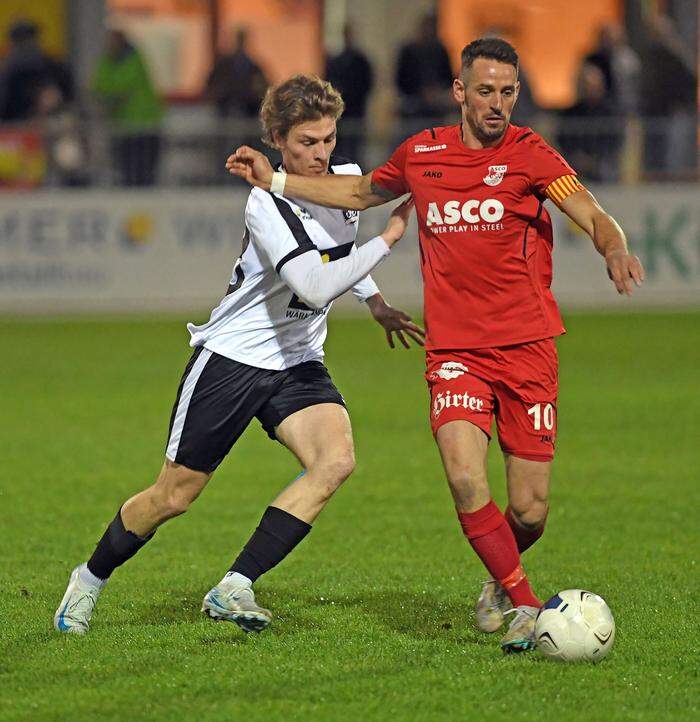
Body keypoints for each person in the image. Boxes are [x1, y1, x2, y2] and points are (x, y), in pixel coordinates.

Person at [226, 38, 645, 653]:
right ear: (460, 92)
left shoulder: (532, 155)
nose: (496, 103)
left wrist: (614, 248)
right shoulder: (423, 155)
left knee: (529, 511)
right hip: (456, 352)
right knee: (463, 476)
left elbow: (590, 212)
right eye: (485, 91)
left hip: (528, 349)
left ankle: (500, 580)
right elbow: (362, 192)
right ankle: (527, 605)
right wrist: (279, 179)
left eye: (507, 92)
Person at [54, 74, 422, 636]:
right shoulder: (264, 205)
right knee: (174, 496)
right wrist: (391, 237)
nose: (321, 155)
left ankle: (236, 585)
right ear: (277, 139)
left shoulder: (345, 181)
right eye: (306, 143)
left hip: (297, 361)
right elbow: (314, 285)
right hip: (232, 359)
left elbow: (339, 252)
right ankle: (88, 579)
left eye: (327, 140)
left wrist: (374, 301)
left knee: (335, 460)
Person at [91, 29, 164, 186]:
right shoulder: (108, 60)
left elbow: (121, 86)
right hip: (124, 126)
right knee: (126, 170)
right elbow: (98, 85)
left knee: (144, 171)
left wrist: (108, 93)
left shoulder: (134, 60)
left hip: (145, 125)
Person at [557, 62, 623, 182]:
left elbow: (614, 140)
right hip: (575, 161)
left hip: (601, 163)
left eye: (593, 86)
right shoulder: (570, 113)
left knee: (606, 171)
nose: (590, 90)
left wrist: (594, 160)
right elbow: (563, 138)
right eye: (586, 86)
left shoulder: (610, 113)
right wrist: (578, 156)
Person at [0, 18, 74, 122]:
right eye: (21, 41)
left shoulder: (55, 68)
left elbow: (71, 102)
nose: (26, 45)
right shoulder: (7, 74)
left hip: (53, 127)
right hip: (17, 130)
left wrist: (57, 104)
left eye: (28, 39)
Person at [395, 13, 454, 134]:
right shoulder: (408, 52)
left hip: (435, 107)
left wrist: (436, 91)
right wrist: (419, 91)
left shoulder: (440, 50)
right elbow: (401, 78)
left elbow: (448, 76)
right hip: (413, 105)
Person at [324, 24, 374, 163]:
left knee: (355, 149)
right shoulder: (337, 61)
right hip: (340, 115)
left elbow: (366, 84)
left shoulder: (360, 61)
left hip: (356, 111)